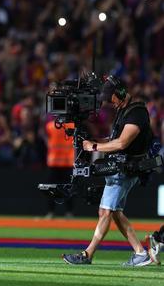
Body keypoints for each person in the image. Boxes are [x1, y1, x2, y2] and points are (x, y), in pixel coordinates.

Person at [63, 76, 154, 266]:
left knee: (105, 211)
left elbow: (122, 143)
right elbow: (114, 139)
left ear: (121, 92)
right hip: (120, 169)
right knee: (115, 212)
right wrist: (91, 140)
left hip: (125, 170)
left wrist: (94, 147)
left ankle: (87, 254)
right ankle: (140, 253)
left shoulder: (136, 114)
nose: (109, 102)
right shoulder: (125, 111)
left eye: (111, 96)